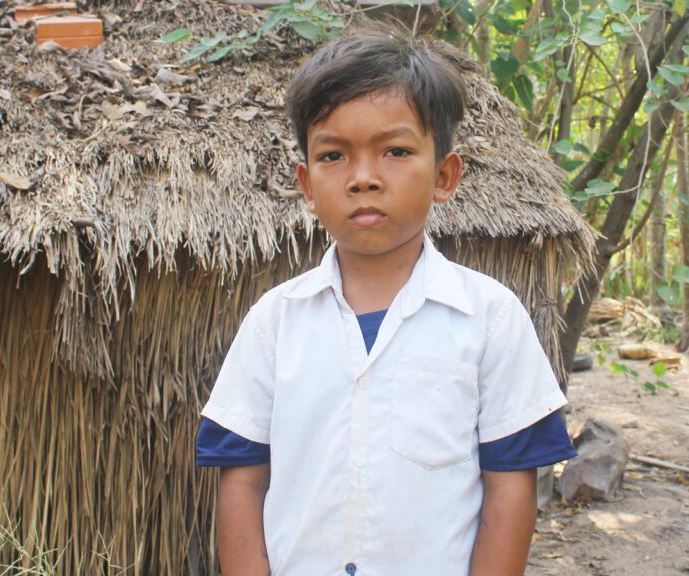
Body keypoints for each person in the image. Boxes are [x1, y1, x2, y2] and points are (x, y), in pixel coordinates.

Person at [195, 24, 576, 576]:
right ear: (305, 183)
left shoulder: (490, 320)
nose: (364, 178)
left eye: (395, 151)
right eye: (333, 156)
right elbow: (242, 477)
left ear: (445, 175)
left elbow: (509, 489)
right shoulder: (273, 322)